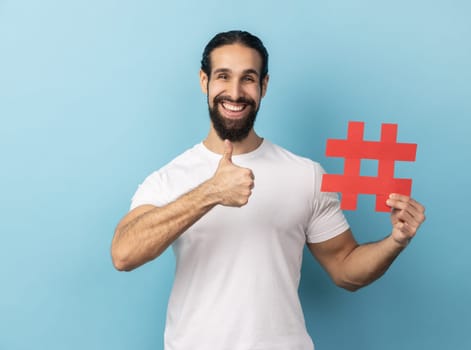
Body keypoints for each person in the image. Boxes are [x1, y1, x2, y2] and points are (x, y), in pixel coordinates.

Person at [111, 30, 426, 350]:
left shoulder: (306, 175)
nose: (235, 92)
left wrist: (395, 242)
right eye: (223, 76)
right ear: (204, 81)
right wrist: (211, 192)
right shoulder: (170, 178)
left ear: (264, 86)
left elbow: (346, 269)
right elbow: (124, 254)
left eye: (248, 79)